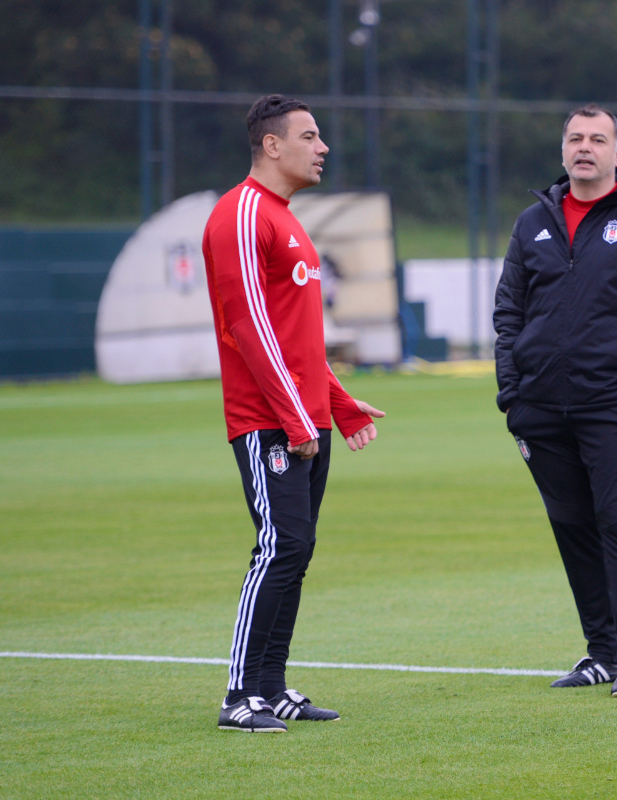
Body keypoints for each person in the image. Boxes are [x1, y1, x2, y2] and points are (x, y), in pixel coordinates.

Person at [493, 104, 617, 698]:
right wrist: (513, 397)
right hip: (541, 408)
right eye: (576, 138)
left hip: (616, 405)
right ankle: (600, 652)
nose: (585, 147)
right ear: (563, 152)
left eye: (597, 139)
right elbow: (509, 313)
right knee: (572, 525)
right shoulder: (532, 222)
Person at [202, 95, 385, 732]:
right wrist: (297, 419)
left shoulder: (285, 218)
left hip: (303, 418)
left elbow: (295, 339)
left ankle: (272, 687)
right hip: (268, 421)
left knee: (296, 549)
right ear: (272, 145)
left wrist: (336, 403)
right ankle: (237, 697)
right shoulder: (241, 213)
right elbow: (249, 329)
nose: (323, 146)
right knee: (278, 547)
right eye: (310, 135)